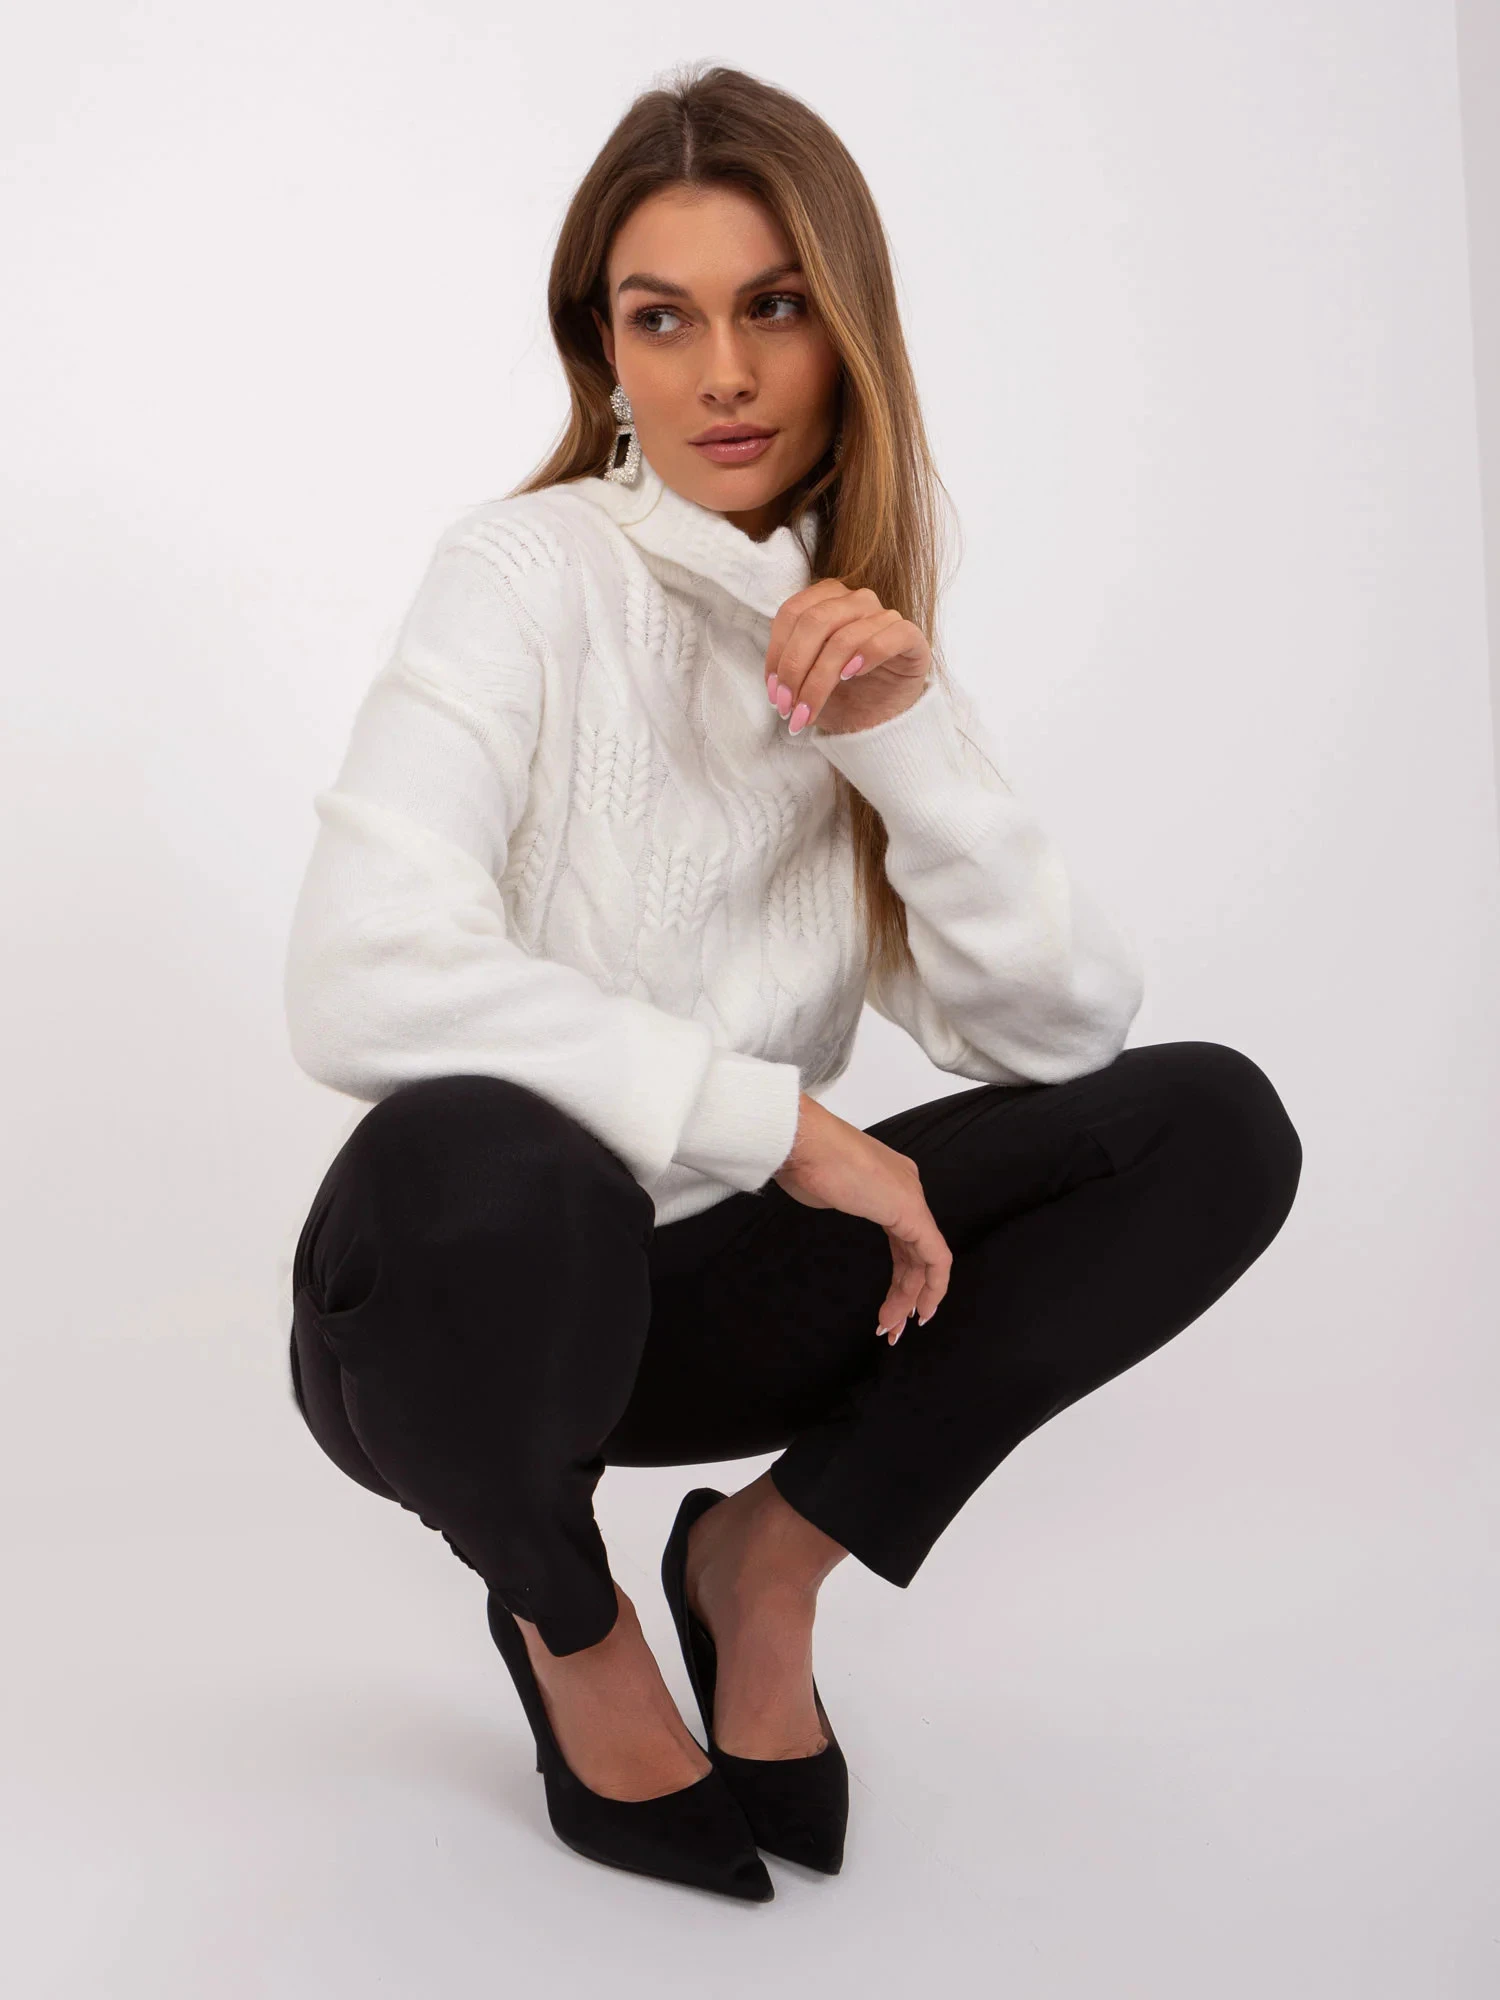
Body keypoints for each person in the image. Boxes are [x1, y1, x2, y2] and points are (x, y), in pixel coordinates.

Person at [281, 62, 1303, 1902]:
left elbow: (1058, 1031)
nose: (723, 374)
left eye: (772, 308)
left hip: (713, 1317)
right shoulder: (519, 572)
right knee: (487, 1152)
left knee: (1209, 1127)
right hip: (471, 1315)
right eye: (661, 319)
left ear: (846, 333)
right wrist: (786, 1128)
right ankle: (575, 1626)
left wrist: (905, 740)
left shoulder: (850, 631)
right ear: (605, 352)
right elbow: (357, 972)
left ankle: (765, 1563)